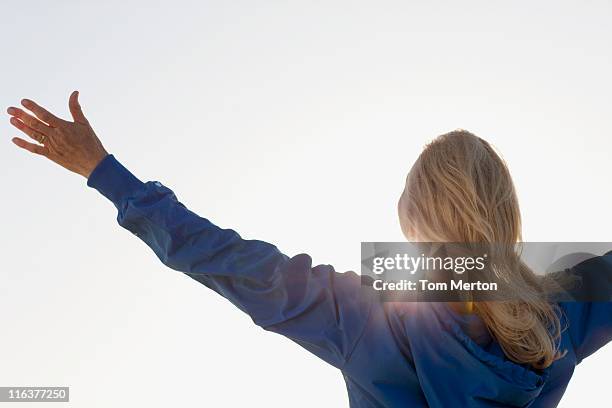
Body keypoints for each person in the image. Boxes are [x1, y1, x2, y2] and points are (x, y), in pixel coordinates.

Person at [7, 92, 611, 407]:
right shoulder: (564, 314)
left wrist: (105, 172)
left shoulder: (362, 315)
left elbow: (215, 254)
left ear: (411, 222)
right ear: (508, 216)